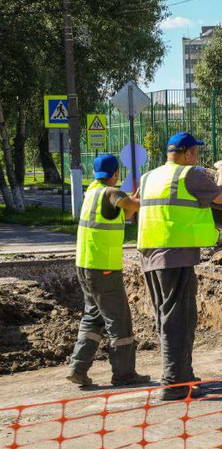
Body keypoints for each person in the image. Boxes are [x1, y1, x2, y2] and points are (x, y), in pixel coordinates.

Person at [137, 132, 222, 401]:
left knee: (167, 318)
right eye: (196, 153)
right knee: (178, 320)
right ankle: (174, 383)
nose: (197, 158)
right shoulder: (187, 175)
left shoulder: (149, 177)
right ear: (188, 153)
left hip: (149, 256)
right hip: (175, 255)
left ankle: (182, 374)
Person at [67, 154, 150, 389]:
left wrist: (131, 200)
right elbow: (133, 206)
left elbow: (123, 213)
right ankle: (124, 375)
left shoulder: (92, 191)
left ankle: (78, 368)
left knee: (93, 318)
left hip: (85, 265)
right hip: (103, 268)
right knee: (119, 321)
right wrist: (142, 196)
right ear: (115, 174)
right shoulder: (111, 193)